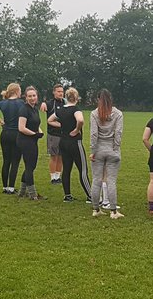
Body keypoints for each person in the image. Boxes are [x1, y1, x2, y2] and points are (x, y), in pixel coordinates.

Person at [48, 87, 90, 202]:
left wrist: (62, 126)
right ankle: (90, 196)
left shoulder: (60, 110)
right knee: (83, 170)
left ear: (66, 97)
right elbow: (80, 120)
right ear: (76, 98)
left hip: (63, 142)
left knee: (66, 169)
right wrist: (76, 130)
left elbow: (50, 120)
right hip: (75, 142)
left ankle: (67, 195)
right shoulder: (76, 110)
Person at [89, 89, 124, 218]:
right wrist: (116, 148)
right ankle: (113, 211)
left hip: (98, 150)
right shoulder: (118, 114)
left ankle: (95, 209)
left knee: (96, 180)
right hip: (112, 150)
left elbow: (94, 134)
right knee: (111, 181)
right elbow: (118, 133)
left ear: (98, 100)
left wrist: (93, 151)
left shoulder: (94, 114)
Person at [0, 82, 23, 194]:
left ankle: (5, 187)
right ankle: (11, 188)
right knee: (15, 161)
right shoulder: (21, 103)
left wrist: (1, 121)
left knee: (6, 161)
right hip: (17, 134)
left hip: (5, 134)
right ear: (16, 91)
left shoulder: (3, 103)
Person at [15, 86, 46, 200]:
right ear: (26, 97)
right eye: (30, 96)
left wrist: (40, 132)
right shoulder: (24, 109)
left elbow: (36, 124)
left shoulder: (35, 109)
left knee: (31, 166)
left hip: (32, 140)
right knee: (30, 166)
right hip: (24, 140)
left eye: (34, 96)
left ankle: (22, 192)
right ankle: (33, 194)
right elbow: (21, 128)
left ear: (37, 96)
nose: (32, 98)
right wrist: (34, 134)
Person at [41, 84, 66, 185]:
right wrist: (43, 103)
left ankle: (58, 176)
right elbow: (42, 108)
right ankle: (52, 178)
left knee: (61, 156)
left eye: (62, 91)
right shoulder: (50, 104)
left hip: (63, 134)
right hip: (53, 134)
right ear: (54, 92)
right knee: (54, 156)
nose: (61, 93)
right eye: (58, 91)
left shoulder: (65, 103)